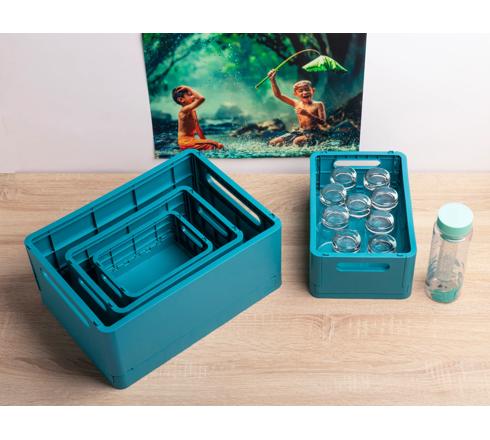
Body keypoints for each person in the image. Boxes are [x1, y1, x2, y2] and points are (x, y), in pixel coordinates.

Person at [267, 69, 330, 146]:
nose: (305, 92)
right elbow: (278, 95)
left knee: (297, 141)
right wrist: (272, 80)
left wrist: (307, 114)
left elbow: (323, 122)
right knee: (272, 142)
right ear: (295, 94)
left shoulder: (318, 104)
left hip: (315, 132)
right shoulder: (296, 103)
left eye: (307, 90)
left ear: (313, 91)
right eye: (301, 91)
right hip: (301, 132)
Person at [172, 86, 224, 150]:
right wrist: (188, 88)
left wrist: (205, 141)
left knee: (213, 145)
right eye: (190, 95)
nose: (194, 97)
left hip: (191, 141)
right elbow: (201, 98)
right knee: (216, 145)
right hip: (185, 142)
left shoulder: (193, 111)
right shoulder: (183, 111)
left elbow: (198, 128)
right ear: (181, 99)